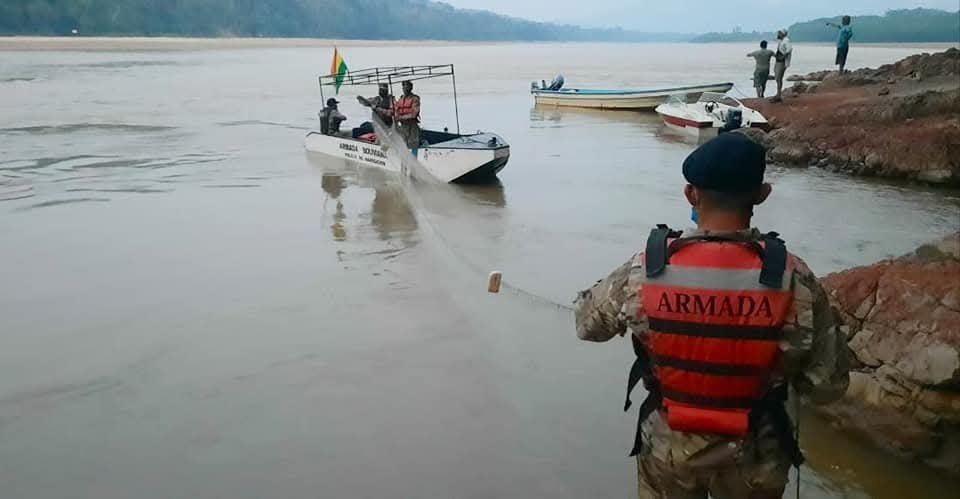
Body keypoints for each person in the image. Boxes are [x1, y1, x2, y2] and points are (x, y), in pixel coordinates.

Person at [574, 133, 849, 499]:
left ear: (691, 194)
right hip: (757, 452)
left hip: (670, 448)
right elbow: (827, 385)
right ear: (762, 194)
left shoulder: (647, 268)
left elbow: (588, 326)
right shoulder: (794, 277)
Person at [394, 80, 422, 153]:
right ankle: (404, 161)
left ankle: (414, 160)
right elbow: (396, 109)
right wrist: (396, 116)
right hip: (403, 126)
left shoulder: (415, 99)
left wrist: (401, 117)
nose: (405, 88)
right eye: (403, 86)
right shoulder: (401, 98)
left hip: (412, 126)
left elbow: (414, 114)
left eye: (407, 86)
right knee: (402, 144)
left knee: (413, 144)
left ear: (411, 88)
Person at [773, 30, 793, 102]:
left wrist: (783, 57)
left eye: (779, 33)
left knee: (778, 77)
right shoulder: (781, 41)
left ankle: (778, 95)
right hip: (778, 61)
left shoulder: (786, 41)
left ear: (783, 34)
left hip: (782, 62)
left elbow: (789, 49)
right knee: (777, 77)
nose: (778, 34)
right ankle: (778, 94)